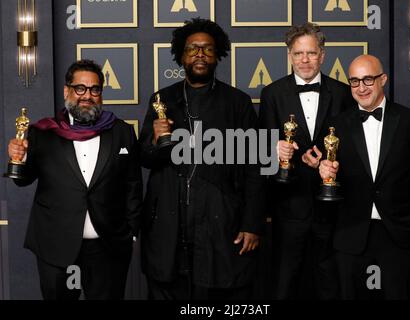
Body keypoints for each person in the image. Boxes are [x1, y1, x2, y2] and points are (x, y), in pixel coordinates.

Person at [139, 18, 265, 300]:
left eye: (207, 49)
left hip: (220, 223)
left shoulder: (238, 103)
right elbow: (145, 158)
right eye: (192, 49)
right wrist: (156, 140)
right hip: (169, 224)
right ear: (181, 55)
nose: (199, 54)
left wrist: (252, 223)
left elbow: (255, 168)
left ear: (217, 55)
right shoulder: (161, 99)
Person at [7, 59, 143, 300]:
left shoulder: (121, 131)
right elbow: (23, 180)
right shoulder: (43, 132)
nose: (87, 96)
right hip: (55, 245)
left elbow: (132, 184)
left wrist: (131, 232)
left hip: (107, 247)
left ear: (101, 92)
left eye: (94, 89)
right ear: (67, 91)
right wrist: (19, 157)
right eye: (80, 88)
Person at [318, 54, 410, 299]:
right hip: (350, 235)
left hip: (399, 234)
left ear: (383, 79)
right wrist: (323, 170)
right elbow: (326, 172)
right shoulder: (336, 125)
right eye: (354, 81)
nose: (361, 88)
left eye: (368, 79)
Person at [259, 22, 355, 299]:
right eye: (298, 53)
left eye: (311, 53)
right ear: (289, 55)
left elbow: (354, 149)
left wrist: (327, 163)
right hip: (288, 208)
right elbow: (262, 149)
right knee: (284, 282)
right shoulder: (272, 93)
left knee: (331, 282)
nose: (305, 60)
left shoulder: (342, 93)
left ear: (323, 55)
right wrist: (273, 149)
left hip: (334, 210)